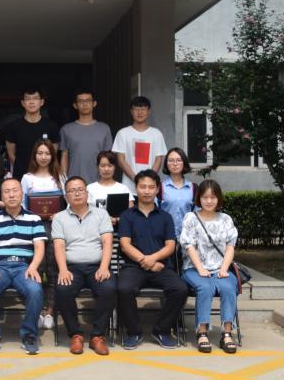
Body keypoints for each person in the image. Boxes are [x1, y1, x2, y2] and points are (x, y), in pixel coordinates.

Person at [115, 169, 188, 350]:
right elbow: (125, 245)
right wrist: (145, 261)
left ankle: (162, 330)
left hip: (161, 266)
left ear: (157, 190)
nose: (146, 191)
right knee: (123, 289)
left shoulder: (165, 217)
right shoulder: (127, 216)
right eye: (143, 187)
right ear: (136, 189)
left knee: (180, 289)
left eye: (151, 187)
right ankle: (134, 332)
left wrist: (153, 260)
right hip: (133, 266)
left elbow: (170, 246)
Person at [0, 178, 47, 355]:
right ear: (1, 196)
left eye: (15, 190)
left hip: (24, 267)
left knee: (35, 290)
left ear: (22, 194)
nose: (11, 195)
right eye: (7, 191)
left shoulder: (34, 218)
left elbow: (39, 246)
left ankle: (29, 335)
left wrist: (33, 267)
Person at [52, 177, 115, 356]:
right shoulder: (59, 218)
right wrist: (63, 270)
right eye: (72, 191)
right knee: (63, 289)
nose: (77, 193)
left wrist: (104, 267)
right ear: (66, 196)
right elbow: (59, 245)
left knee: (109, 288)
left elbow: (107, 242)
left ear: (87, 193)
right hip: (72, 267)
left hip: (97, 266)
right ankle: (76, 334)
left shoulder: (101, 214)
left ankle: (97, 336)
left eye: (80, 189)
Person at [179, 179, 240, 354]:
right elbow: (189, 246)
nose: (209, 201)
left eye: (213, 197)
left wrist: (224, 269)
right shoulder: (191, 218)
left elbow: (230, 246)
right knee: (205, 287)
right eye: (205, 197)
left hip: (220, 268)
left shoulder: (226, 219)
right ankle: (202, 332)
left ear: (218, 198)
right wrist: (200, 268)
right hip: (193, 268)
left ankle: (227, 333)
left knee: (229, 287)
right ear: (199, 198)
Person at [19, 138, 66, 331]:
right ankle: (37, 310)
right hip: (33, 227)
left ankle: (50, 311)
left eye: (47, 153)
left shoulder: (60, 177)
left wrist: (59, 215)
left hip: (55, 227)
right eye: (40, 153)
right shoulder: (27, 178)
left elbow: (68, 204)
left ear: (52, 156)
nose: (44, 157)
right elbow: (21, 204)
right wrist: (32, 215)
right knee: (36, 268)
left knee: (53, 269)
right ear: (34, 156)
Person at [4, 87, 60, 179]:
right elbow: (11, 154)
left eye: (35, 98)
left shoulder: (51, 126)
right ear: (23, 103)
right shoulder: (13, 127)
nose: (31, 102)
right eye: (28, 99)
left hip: (45, 176)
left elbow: (53, 153)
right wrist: (23, 169)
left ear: (42, 102)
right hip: (21, 176)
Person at [59, 88, 113, 185]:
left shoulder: (104, 128)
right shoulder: (66, 129)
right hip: (74, 182)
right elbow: (64, 156)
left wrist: (108, 181)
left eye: (88, 101)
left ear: (94, 103)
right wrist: (64, 181)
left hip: (99, 182)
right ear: (75, 105)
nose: (85, 104)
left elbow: (108, 158)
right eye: (81, 101)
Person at [112, 96, 168, 188]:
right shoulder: (122, 133)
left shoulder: (156, 134)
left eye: (143, 109)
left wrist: (148, 180)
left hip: (149, 187)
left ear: (149, 111)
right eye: (136, 109)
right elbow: (121, 160)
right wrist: (135, 179)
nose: (140, 112)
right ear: (131, 111)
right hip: (128, 186)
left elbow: (158, 160)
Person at [87, 150, 134, 220]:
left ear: (115, 167)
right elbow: (84, 212)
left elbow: (131, 212)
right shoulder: (90, 188)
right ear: (98, 167)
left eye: (110, 165)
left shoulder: (123, 188)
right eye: (103, 166)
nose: (106, 169)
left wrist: (118, 219)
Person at [160, 147, 196, 238]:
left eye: (179, 160)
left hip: (188, 237)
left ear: (184, 163)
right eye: (171, 160)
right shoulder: (160, 187)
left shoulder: (193, 187)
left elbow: (198, 215)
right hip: (165, 237)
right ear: (166, 164)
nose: (175, 164)